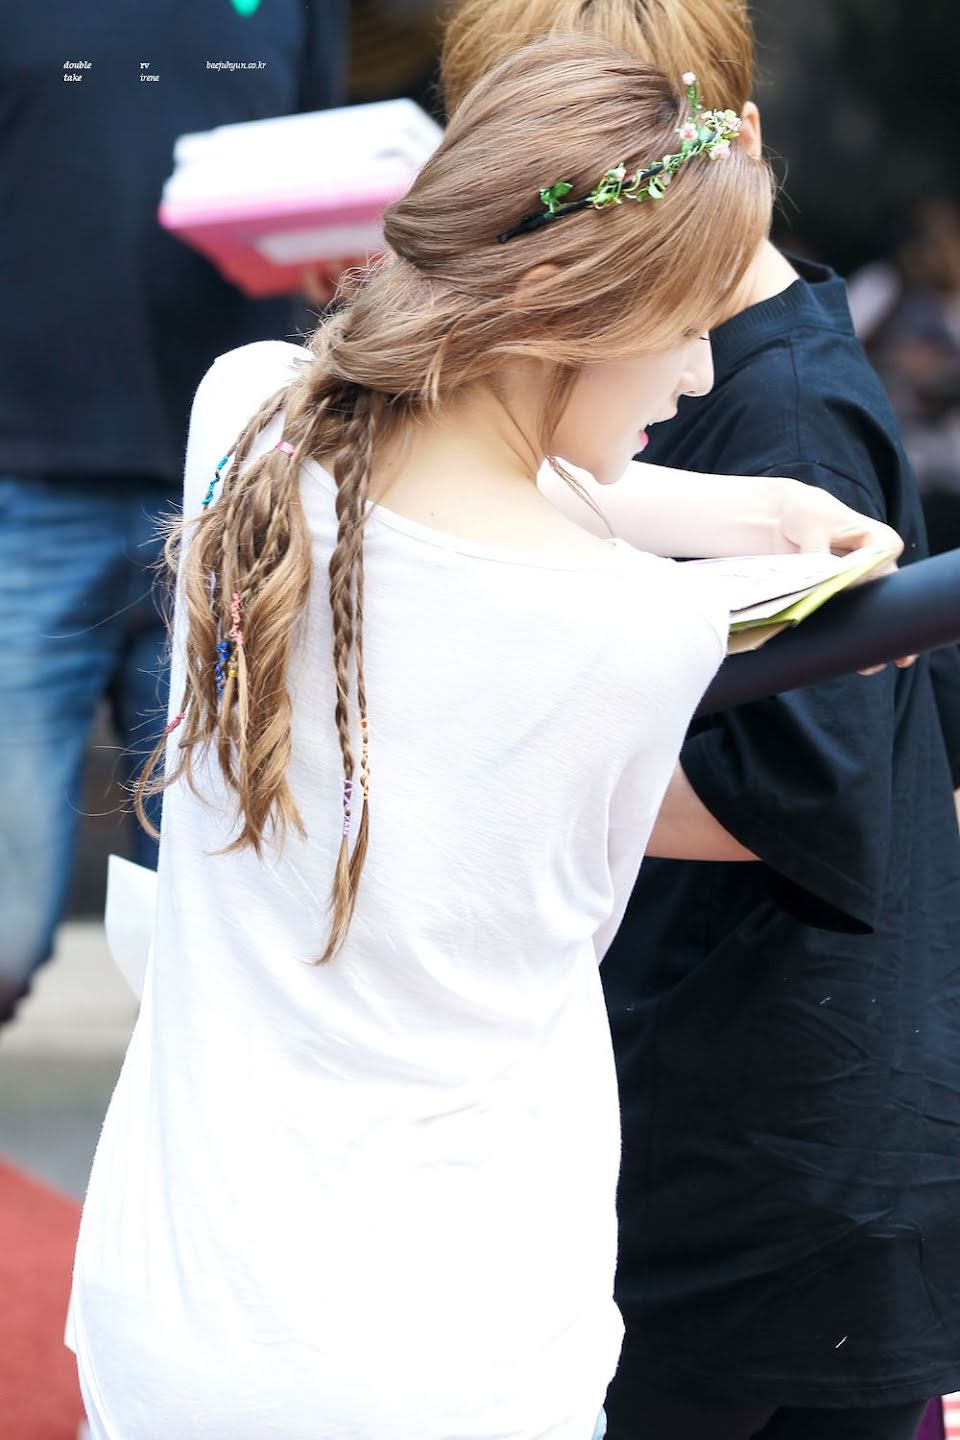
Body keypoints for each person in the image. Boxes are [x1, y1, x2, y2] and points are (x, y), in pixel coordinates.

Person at [67, 37, 902, 1440]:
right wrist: (778, 564)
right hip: (455, 1339)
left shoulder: (247, 417)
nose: (701, 372)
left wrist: (750, 511)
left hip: (173, 1311)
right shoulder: (635, 632)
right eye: (685, 324)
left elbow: (487, 474)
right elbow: (578, 559)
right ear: (568, 314)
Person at [439, 5, 960, 1439]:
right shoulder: (739, 380)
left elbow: (795, 789)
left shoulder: (777, 402)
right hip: (750, 1122)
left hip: (770, 1154)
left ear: (738, 145)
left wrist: (483, 756)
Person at [0, 0, 346, 1026]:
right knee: (4, 929)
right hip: (26, 481)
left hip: (229, 494)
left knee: (212, 921)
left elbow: (321, 184)